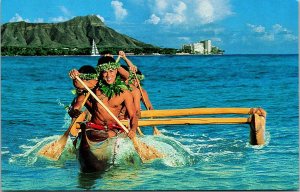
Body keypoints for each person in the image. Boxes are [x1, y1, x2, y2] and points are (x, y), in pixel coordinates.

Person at [69, 56, 138, 142]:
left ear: (116, 70)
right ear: (101, 73)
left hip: (113, 128)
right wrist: (75, 74)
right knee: (94, 134)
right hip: (94, 126)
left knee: (108, 134)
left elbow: (133, 115)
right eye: (105, 72)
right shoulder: (96, 86)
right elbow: (79, 84)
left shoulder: (125, 93)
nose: (109, 75)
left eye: (111, 71)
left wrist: (133, 129)